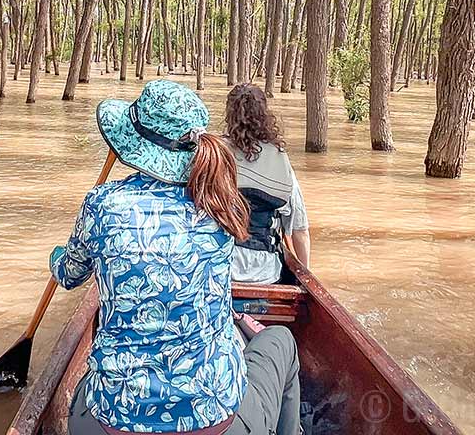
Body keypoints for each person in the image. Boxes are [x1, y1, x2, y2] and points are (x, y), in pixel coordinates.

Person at [50, 79, 301, 435]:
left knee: (83, 394)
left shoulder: (102, 204)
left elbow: (69, 275)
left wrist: (57, 257)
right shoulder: (222, 207)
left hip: (114, 423)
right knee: (282, 342)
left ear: (133, 145)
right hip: (217, 420)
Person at [223, 84, 311, 285]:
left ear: (229, 116)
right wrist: (305, 278)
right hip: (265, 272)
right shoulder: (281, 160)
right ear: (265, 115)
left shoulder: (216, 154)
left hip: (221, 267)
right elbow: (300, 230)